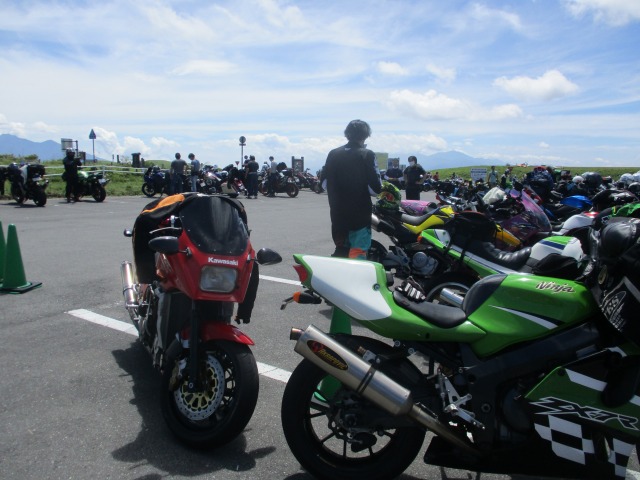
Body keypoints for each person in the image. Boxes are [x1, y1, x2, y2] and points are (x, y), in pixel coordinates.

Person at [323, 119, 382, 259]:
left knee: (341, 254)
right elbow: (375, 189)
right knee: (357, 256)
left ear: (347, 134)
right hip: (359, 217)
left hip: (338, 216)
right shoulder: (367, 154)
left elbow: (324, 184)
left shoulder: (333, 154)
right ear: (366, 135)